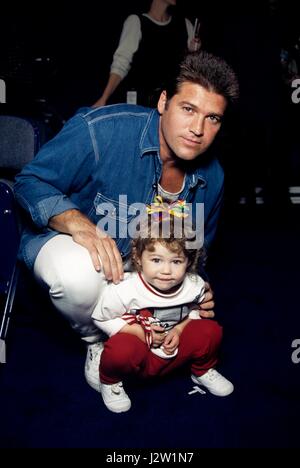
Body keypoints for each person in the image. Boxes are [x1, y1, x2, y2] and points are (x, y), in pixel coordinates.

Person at [14, 50, 239, 393]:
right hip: (87, 256)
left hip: (145, 275)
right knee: (75, 275)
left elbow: (199, 250)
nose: (198, 129)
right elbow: (28, 182)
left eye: (213, 118)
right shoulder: (102, 130)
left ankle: (136, 329)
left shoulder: (214, 177)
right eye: (188, 109)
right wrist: (76, 221)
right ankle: (94, 340)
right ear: (164, 102)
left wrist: (198, 289)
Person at [92, 206, 234, 413]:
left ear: (189, 262)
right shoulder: (125, 288)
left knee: (210, 330)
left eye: (176, 261)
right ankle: (111, 382)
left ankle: (202, 371)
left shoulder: (194, 284)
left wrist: (179, 329)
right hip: (140, 355)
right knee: (122, 349)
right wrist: (138, 332)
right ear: (139, 259)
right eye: (156, 260)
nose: (166, 271)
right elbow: (101, 317)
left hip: (174, 355)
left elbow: (196, 310)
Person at [93, 0, 201, 107]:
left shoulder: (185, 25)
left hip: (170, 105)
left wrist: (193, 53)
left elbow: (192, 71)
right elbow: (121, 64)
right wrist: (104, 98)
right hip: (140, 105)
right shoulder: (136, 22)